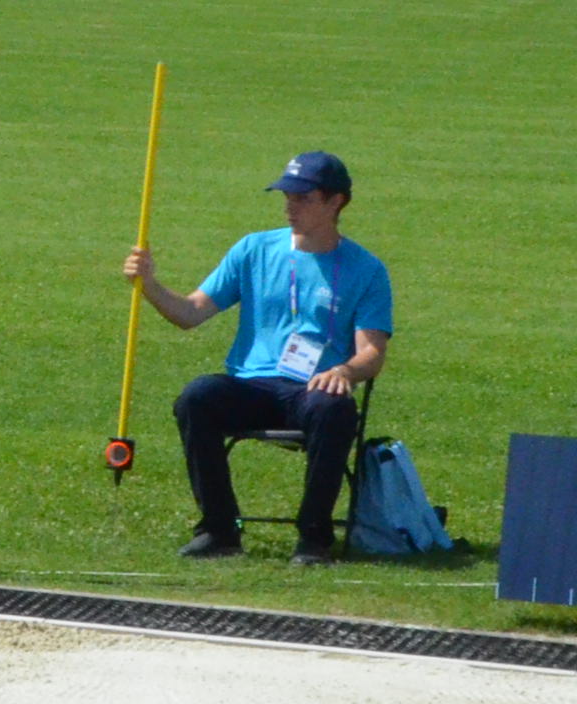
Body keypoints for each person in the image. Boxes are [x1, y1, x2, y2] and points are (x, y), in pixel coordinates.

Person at [125, 151, 393, 565]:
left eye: (303, 198)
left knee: (334, 410)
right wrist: (149, 284)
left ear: (335, 202)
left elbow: (372, 352)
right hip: (252, 384)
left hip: (312, 389)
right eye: (287, 195)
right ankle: (219, 529)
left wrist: (343, 371)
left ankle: (313, 538)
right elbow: (190, 313)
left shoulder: (366, 269)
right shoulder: (253, 250)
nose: (290, 205)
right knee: (197, 396)